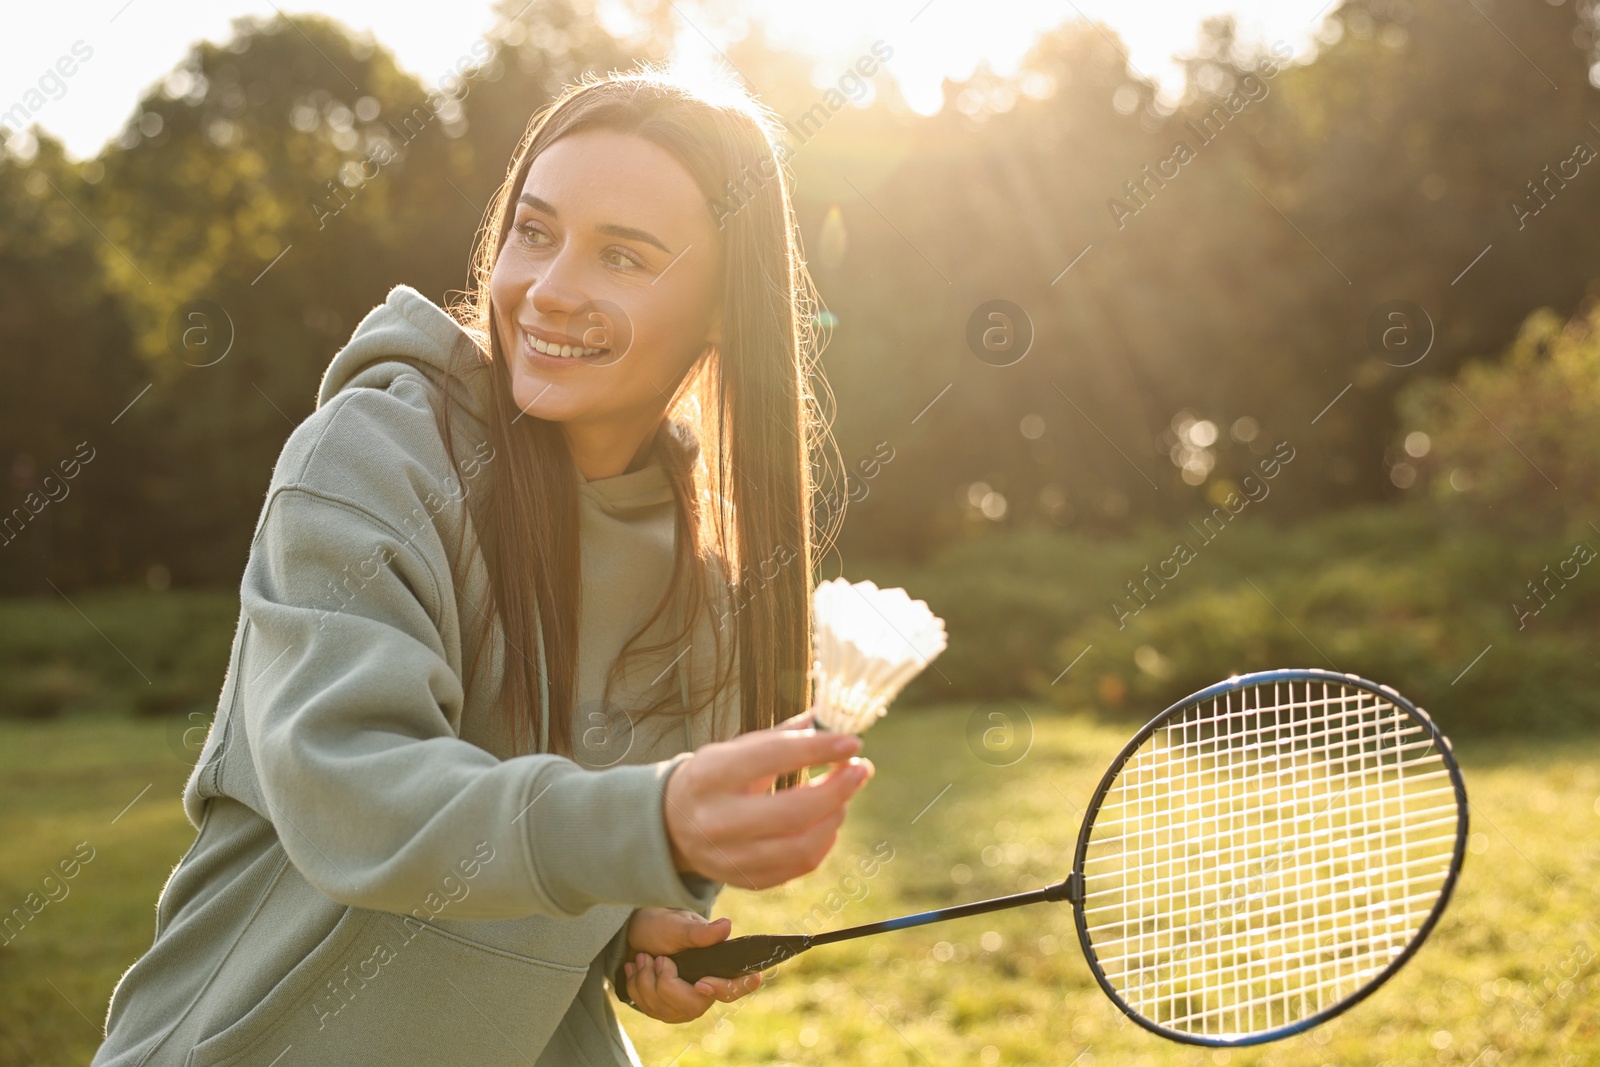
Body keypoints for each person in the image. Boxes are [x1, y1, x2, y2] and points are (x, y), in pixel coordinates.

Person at [91, 65, 870, 1066]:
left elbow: (574, 865)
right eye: (534, 233)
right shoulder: (372, 457)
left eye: (622, 256)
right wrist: (648, 819)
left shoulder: (708, 583)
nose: (548, 290)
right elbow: (356, 793)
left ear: (725, 308)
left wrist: (635, 929)